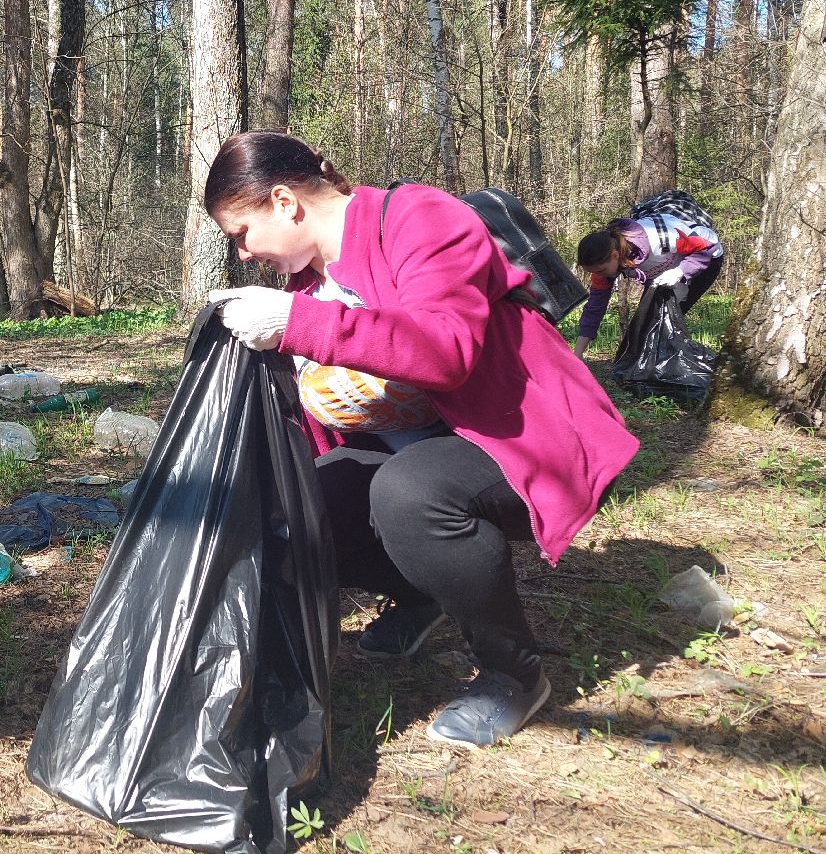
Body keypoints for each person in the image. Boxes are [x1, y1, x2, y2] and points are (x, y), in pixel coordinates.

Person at [204, 131, 639, 748]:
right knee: (299, 498)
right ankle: (419, 595)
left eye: (241, 233)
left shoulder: (419, 219)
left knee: (411, 493)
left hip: (524, 437)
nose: (243, 254)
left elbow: (445, 351)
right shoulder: (307, 281)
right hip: (421, 444)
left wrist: (299, 325)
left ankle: (513, 674)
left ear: (283, 201)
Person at [571, 212, 723, 359]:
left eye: (601, 270)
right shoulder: (605, 264)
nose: (599, 275)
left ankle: (671, 369)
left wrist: (680, 272)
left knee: (661, 322)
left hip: (704, 257)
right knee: (644, 324)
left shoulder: (663, 238)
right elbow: (594, 308)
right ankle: (643, 369)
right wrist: (577, 354)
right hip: (665, 269)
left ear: (615, 256)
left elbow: (706, 249)